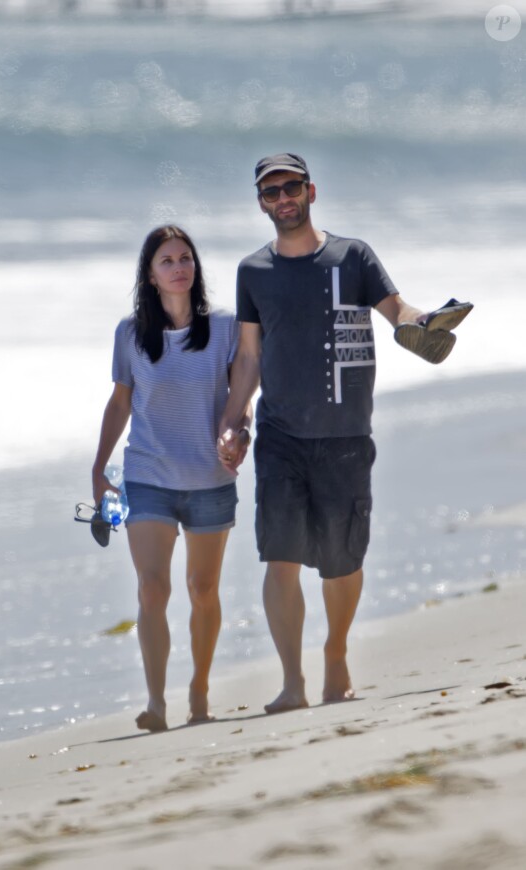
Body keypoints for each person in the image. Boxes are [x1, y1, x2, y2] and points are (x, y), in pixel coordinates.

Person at [217, 153, 470, 715]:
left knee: (342, 561)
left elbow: (396, 307)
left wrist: (423, 323)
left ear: (311, 191)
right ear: (261, 202)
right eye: (271, 192)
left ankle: (335, 654)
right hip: (282, 434)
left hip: (345, 434)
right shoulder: (253, 272)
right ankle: (292, 682)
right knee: (278, 556)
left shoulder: (352, 256)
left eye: (291, 187)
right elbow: (251, 355)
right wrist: (235, 419)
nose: (282, 198)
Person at [92, 225, 252, 732]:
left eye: (186, 258)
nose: (179, 267)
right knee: (152, 589)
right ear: (150, 273)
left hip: (210, 477)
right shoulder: (130, 333)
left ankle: (199, 690)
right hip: (147, 474)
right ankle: (156, 702)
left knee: (203, 590)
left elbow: (241, 394)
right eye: (167, 260)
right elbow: (120, 403)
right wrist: (99, 467)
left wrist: (238, 433)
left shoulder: (224, 328)